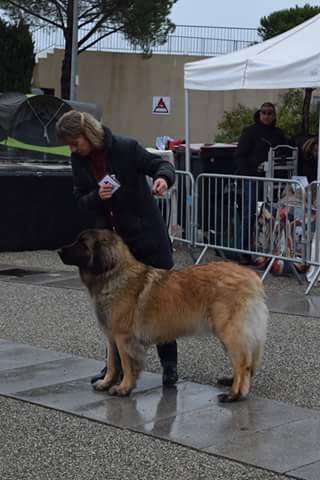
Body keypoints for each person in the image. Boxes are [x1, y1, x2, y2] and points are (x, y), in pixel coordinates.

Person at [56, 110, 178, 387]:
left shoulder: (126, 147)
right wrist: (96, 196)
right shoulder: (79, 160)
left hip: (145, 237)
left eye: (75, 142)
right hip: (111, 247)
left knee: (163, 302)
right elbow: (80, 200)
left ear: (88, 134)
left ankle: (170, 366)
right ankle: (114, 368)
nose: (73, 149)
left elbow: (160, 165)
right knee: (113, 308)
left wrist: (163, 178)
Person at [234, 102, 288, 263]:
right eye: (264, 112)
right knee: (249, 214)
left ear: (274, 115)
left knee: (272, 216)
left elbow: (285, 152)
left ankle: (269, 252)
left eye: (270, 113)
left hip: (274, 182)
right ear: (259, 114)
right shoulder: (250, 132)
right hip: (253, 180)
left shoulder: (279, 134)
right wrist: (250, 172)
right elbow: (239, 156)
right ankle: (242, 252)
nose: (267, 115)